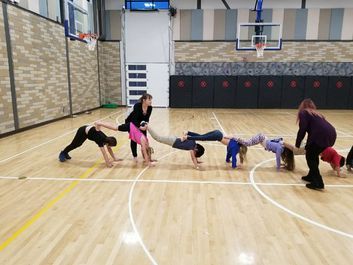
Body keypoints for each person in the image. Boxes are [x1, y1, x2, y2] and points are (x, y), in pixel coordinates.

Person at [295, 98, 337, 190]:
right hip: (331, 134)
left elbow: (302, 129)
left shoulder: (304, 113)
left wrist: (297, 143)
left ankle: (318, 182)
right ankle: (311, 176)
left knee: (310, 156)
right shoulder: (317, 114)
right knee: (313, 155)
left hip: (321, 135)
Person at [182, 130, 247, 169]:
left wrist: (227, 160)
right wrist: (234, 166)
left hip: (218, 133)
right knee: (202, 137)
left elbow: (229, 153)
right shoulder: (235, 148)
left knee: (202, 136)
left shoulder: (236, 144)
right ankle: (187, 137)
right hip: (217, 136)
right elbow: (233, 157)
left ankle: (188, 132)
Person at [119, 93, 153, 161]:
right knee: (134, 139)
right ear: (144, 100)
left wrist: (145, 125)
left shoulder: (150, 108)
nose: (151, 101)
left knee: (144, 139)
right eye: (149, 100)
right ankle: (135, 156)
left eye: (151, 100)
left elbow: (147, 118)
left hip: (140, 122)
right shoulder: (137, 106)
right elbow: (134, 120)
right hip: (131, 121)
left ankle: (146, 157)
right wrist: (140, 127)